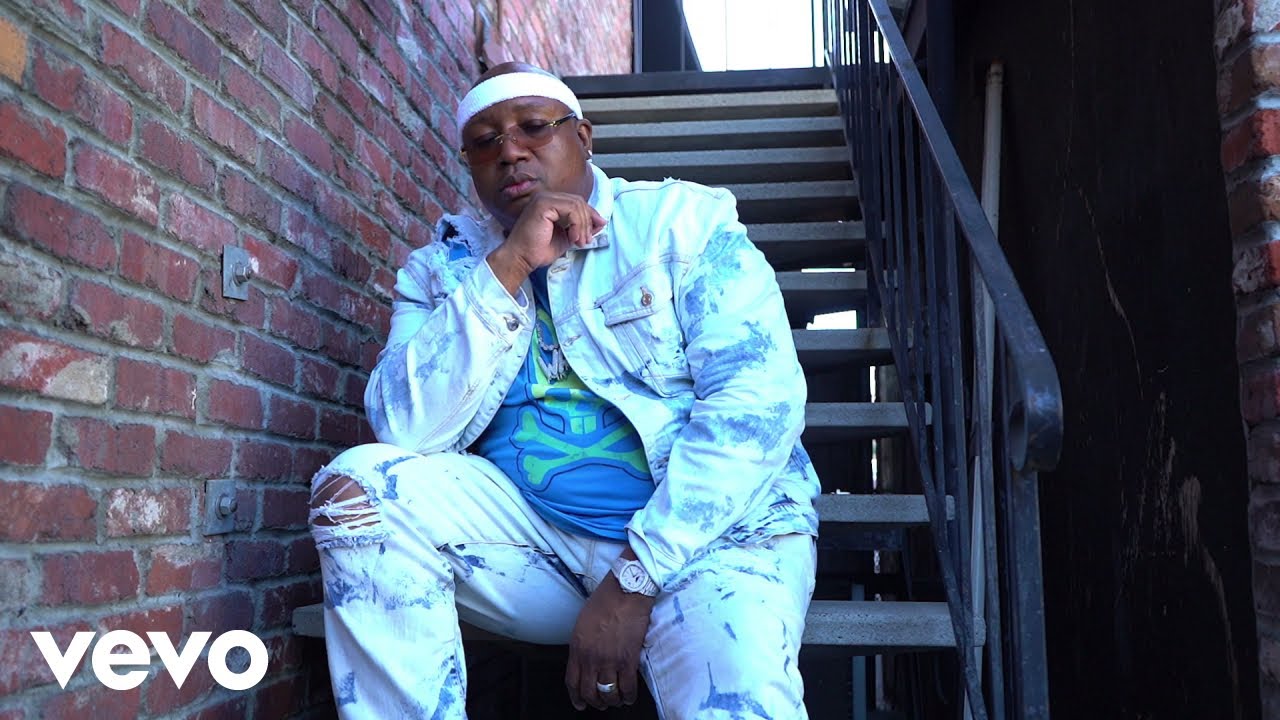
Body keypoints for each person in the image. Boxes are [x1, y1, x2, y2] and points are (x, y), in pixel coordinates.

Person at [308, 61, 821, 719]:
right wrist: (508, 267)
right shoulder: (440, 272)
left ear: (583, 136)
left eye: (533, 127)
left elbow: (757, 408)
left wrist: (636, 578)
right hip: (533, 546)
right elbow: (403, 430)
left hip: (709, 542)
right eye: (485, 142)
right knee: (358, 490)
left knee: (737, 696)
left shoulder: (679, 223)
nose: (510, 151)